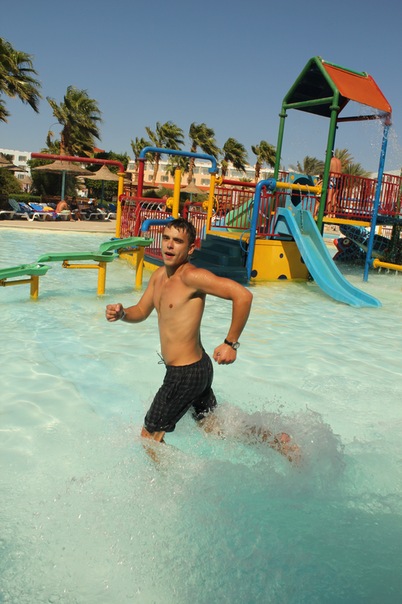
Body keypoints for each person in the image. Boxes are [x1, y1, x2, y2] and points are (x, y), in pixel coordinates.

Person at [105, 218, 298, 461]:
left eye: (178, 241)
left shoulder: (192, 277)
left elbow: (243, 296)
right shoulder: (159, 276)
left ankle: (177, 482)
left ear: (191, 248)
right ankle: (279, 441)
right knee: (215, 429)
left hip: (185, 374)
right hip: (196, 369)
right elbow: (141, 311)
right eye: (166, 238)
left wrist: (230, 343)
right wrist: (123, 314)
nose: (170, 245)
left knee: (149, 438)